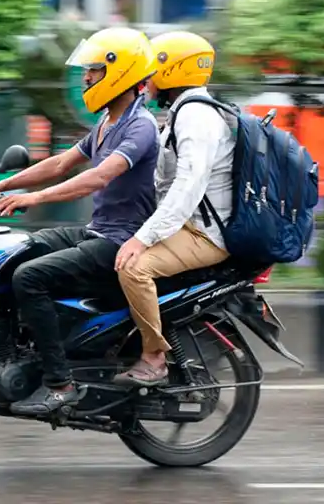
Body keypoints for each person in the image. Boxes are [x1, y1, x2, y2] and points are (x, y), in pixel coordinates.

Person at [0, 27, 161, 415]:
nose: (86, 78)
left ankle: (59, 381)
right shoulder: (107, 123)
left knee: (30, 277)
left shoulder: (140, 126)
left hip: (121, 242)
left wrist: (32, 198)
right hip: (97, 230)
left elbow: (99, 176)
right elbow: (58, 164)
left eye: (94, 71)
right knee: (13, 252)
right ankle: (8, 353)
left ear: (120, 72)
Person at [112, 30, 236, 387]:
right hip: (190, 225)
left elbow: (187, 187)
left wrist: (143, 237)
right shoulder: (184, 114)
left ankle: (154, 358)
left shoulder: (197, 117)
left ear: (173, 70)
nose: (147, 80)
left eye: (152, 70)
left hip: (205, 234)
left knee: (133, 269)